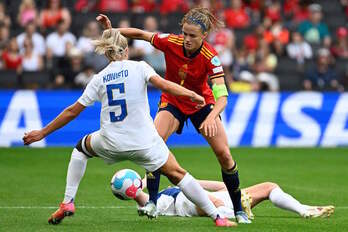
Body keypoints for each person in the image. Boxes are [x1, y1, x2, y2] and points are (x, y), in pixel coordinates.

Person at [23, 29, 235, 227]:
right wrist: (191, 94)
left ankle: (68, 201)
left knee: (80, 149)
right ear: (126, 51)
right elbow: (164, 85)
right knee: (179, 175)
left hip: (109, 142)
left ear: (107, 54)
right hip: (144, 144)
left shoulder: (98, 79)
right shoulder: (140, 67)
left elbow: (72, 111)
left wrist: (42, 133)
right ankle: (217, 217)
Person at [97, 7, 251, 223]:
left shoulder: (211, 57)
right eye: (185, 33)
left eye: (192, 36)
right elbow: (141, 34)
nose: (186, 39)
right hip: (173, 101)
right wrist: (112, 31)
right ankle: (151, 202)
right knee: (155, 143)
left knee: (224, 155)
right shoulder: (171, 42)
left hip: (201, 104)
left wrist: (211, 117)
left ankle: (239, 210)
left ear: (204, 36)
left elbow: (222, 96)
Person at [134, 177, 335, 219]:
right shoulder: (157, 201)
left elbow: (221, 185)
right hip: (186, 202)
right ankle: (234, 211)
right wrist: (137, 188)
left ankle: (304, 208)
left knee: (268, 187)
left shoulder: (171, 188)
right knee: (268, 187)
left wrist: (192, 182)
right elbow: (139, 195)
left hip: (197, 197)